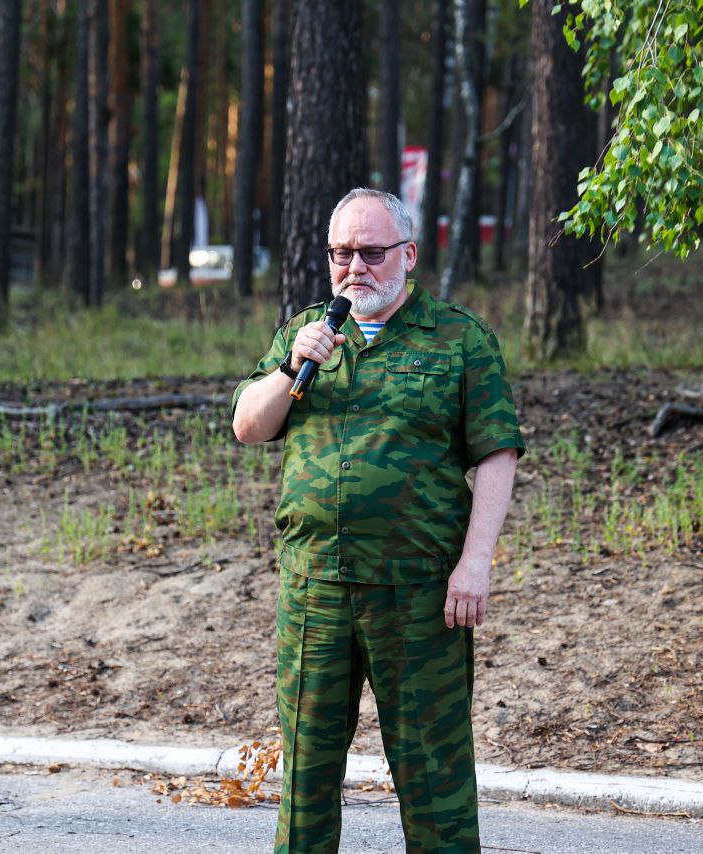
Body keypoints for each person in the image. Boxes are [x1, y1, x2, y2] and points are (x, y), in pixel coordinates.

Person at [232, 188, 524, 853]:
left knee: (434, 776)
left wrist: (475, 562)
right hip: (317, 594)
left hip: (419, 595)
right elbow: (248, 426)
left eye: (370, 251)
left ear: (408, 255)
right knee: (305, 777)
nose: (354, 266)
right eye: (341, 253)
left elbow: (498, 453)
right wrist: (291, 365)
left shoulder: (458, 338)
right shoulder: (306, 334)